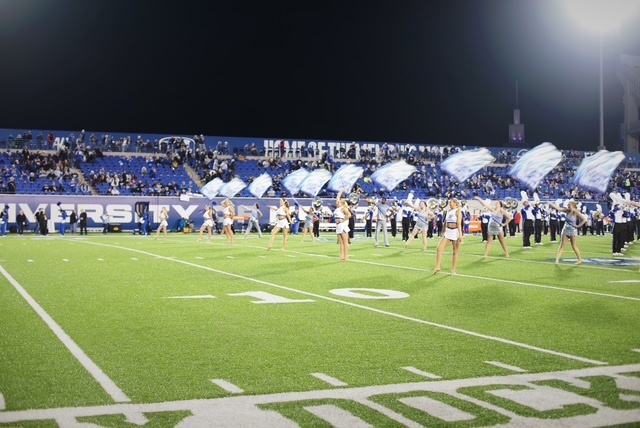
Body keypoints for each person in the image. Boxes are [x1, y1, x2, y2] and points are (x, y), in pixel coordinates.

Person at [549, 200, 587, 265]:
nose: (568, 206)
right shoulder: (567, 210)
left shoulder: (576, 212)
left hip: (573, 231)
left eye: (569, 204)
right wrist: (552, 204)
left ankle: (580, 259)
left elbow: (584, 219)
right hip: (565, 230)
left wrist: (578, 226)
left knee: (574, 246)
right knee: (562, 245)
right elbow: (559, 208)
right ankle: (557, 260)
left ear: (573, 205)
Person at [433, 198, 464, 275]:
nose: (449, 203)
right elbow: (445, 223)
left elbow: (459, 223)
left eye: (451, 202)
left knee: (455, 252)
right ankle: (437, 266)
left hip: (455, 232)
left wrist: (460, 235)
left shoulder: (458, 211)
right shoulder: (448, 211)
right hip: (448, 232)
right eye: (449, 202)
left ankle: (453, 270)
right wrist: (443, 232)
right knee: (439, 249)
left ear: (455, 203)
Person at [335, 190, 352, 261]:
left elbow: (349, 215)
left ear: (341, 203)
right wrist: (341, 191)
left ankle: (346, 256)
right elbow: (338, 197)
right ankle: (341, 256)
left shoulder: (343, 208)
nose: (337, 202)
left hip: (343, 225)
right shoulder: (338, 208)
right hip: (338, 226)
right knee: (340, 242)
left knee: (345, 242)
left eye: (338, 202)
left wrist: (343, 220)